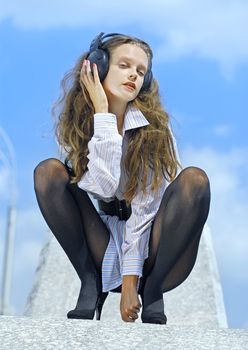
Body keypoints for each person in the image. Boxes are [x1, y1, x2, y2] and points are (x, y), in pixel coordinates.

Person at [33, 32, 211, 324]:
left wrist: (131, 282)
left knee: (195, 180)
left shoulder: (155, 131)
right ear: (98, 68)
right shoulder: (77, 126)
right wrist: (103, 114)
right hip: (101, 247)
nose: (133, 76)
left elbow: (145, 208)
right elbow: (102, 187)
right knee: (48, 172)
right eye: (124, 66)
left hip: (156, 254)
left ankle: (151, 291)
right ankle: (90, 281)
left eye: (141, 71)